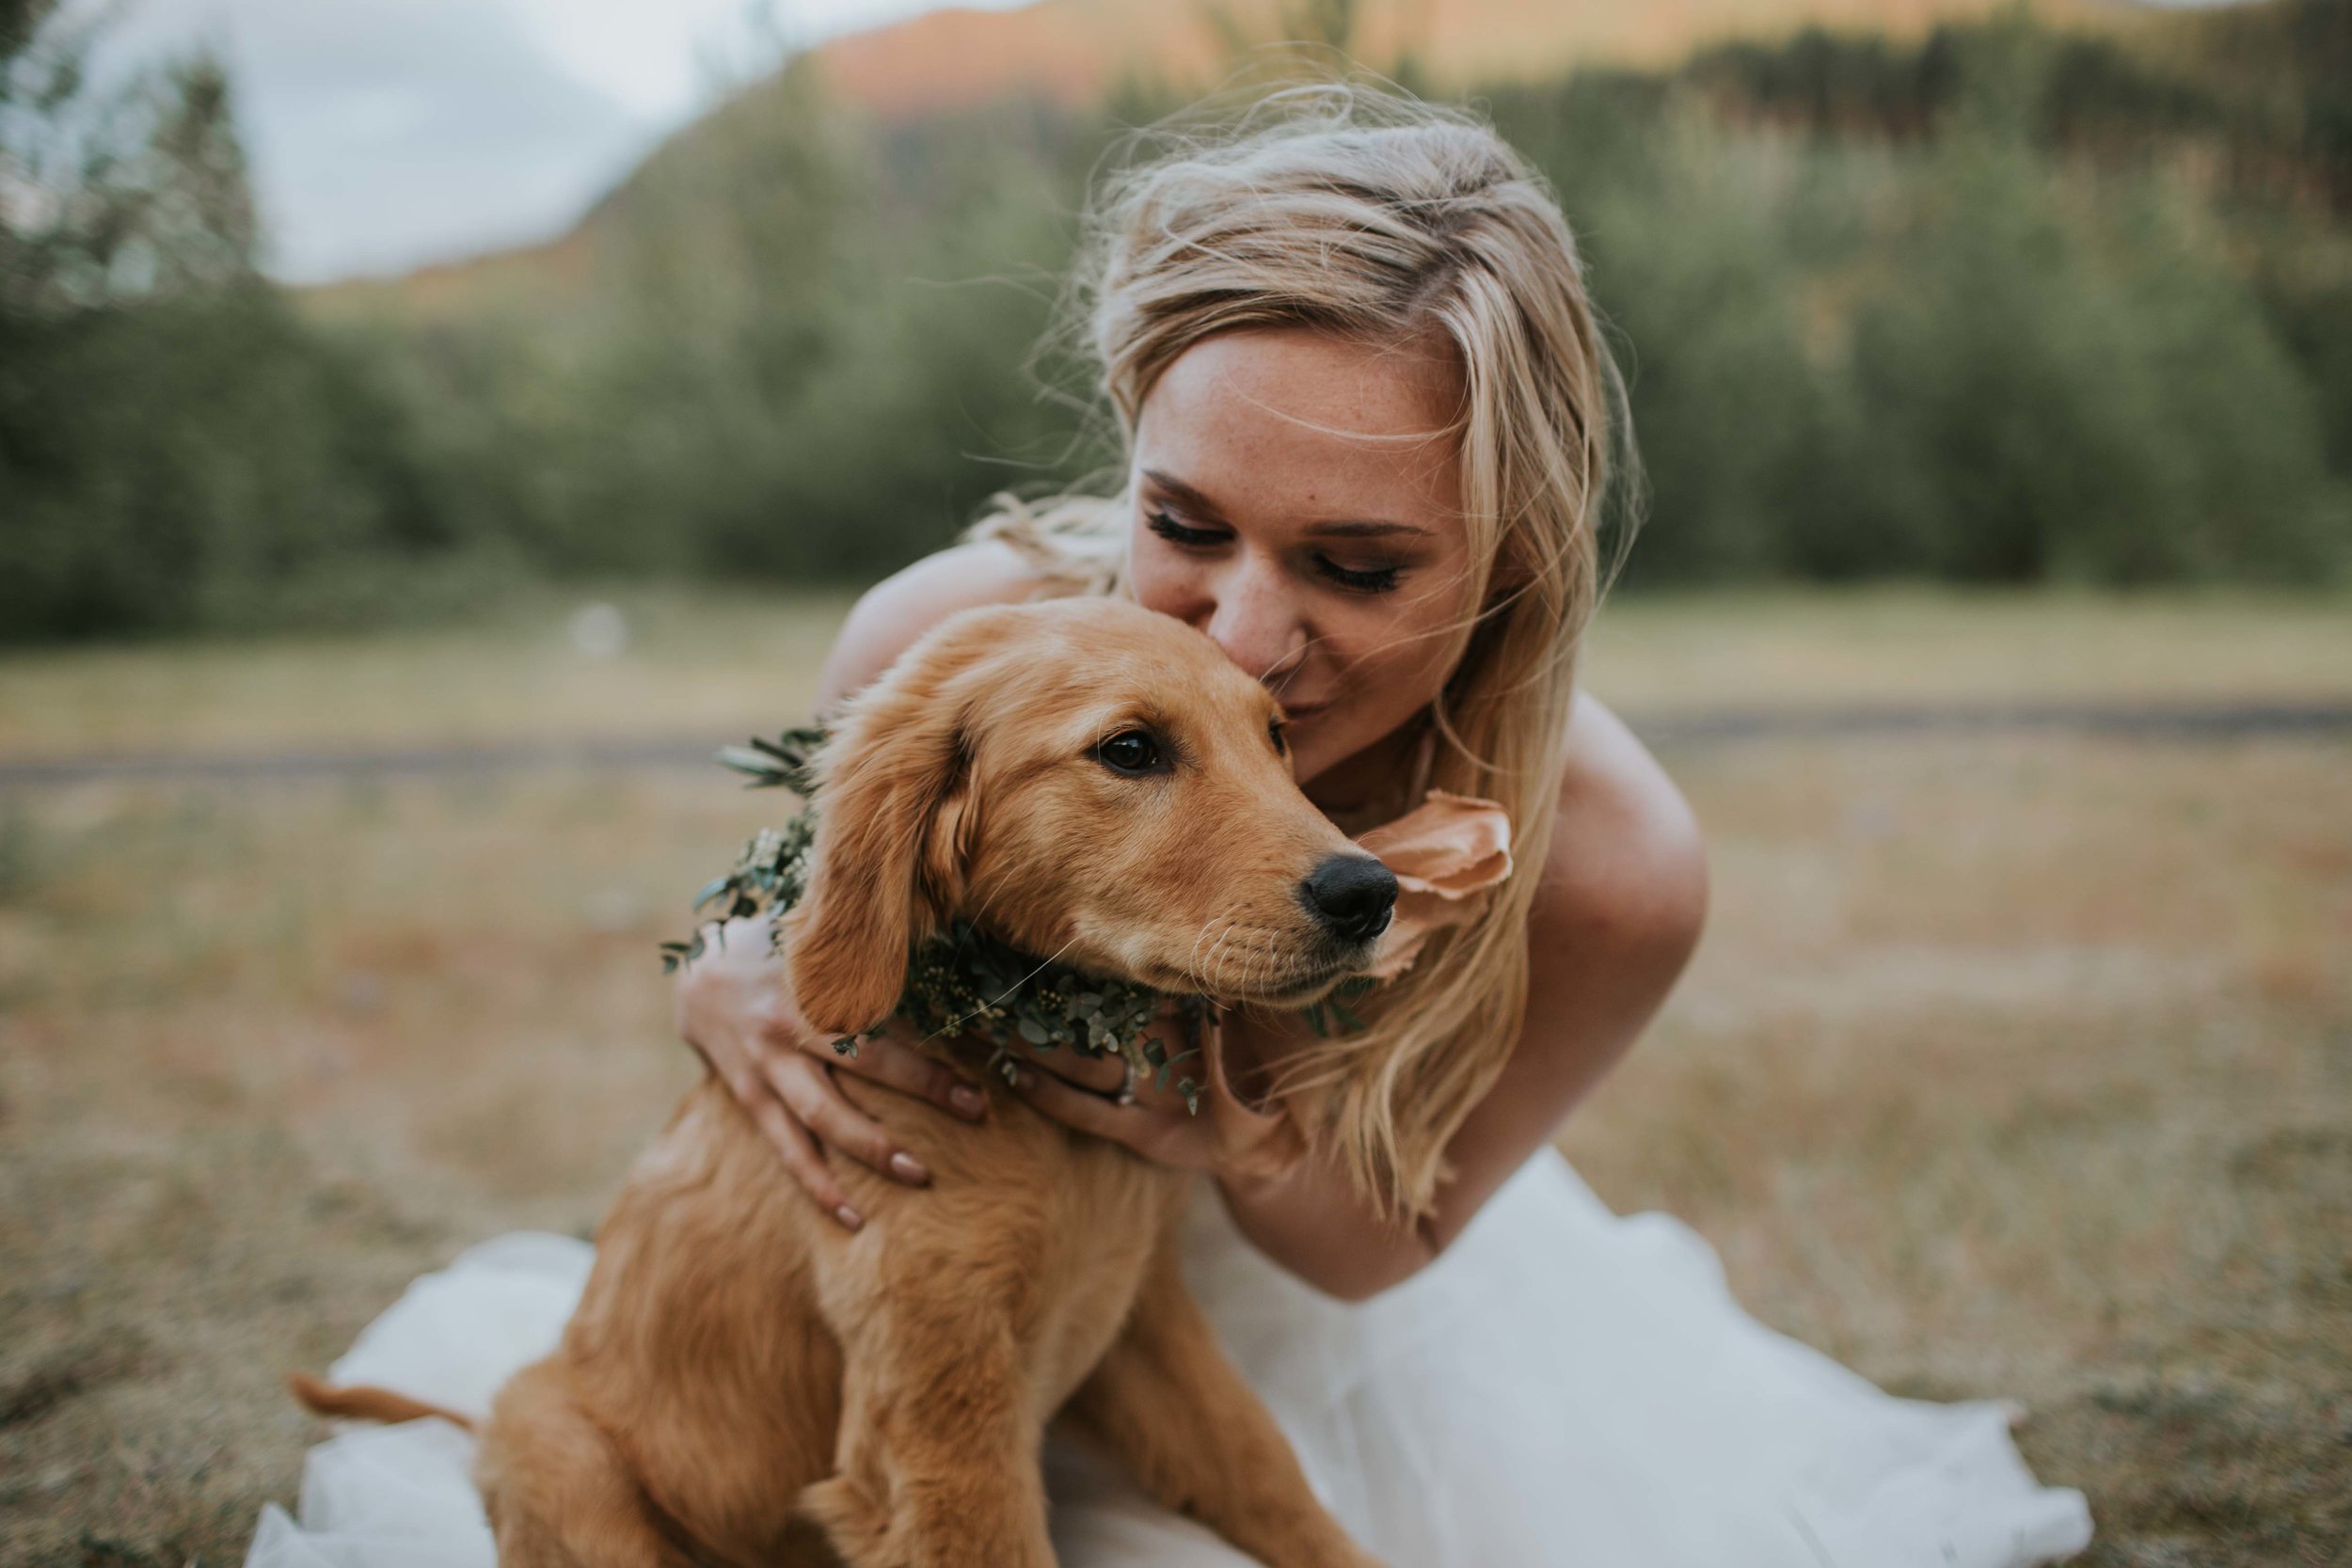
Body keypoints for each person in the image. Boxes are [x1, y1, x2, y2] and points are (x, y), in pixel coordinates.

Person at [246, 87, 2092, 1568]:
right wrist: (731, 968)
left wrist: (1207, 1121)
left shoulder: (1614, 860)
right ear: (1125, 439)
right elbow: (840, 920)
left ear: (1509, 554)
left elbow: (1379, 1247)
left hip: (1310, 1316)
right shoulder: (936, 647)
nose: (1246, 638)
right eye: (1186, 523)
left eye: (1356, 565)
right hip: (937, 1302)